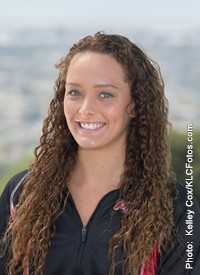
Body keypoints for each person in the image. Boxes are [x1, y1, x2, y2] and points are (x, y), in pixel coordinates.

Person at [0, 32, 200, 275]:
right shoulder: (22, 194)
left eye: (105, 94)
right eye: (74, 92)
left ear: (135, 104)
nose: (86, 109)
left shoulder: (176, 208)